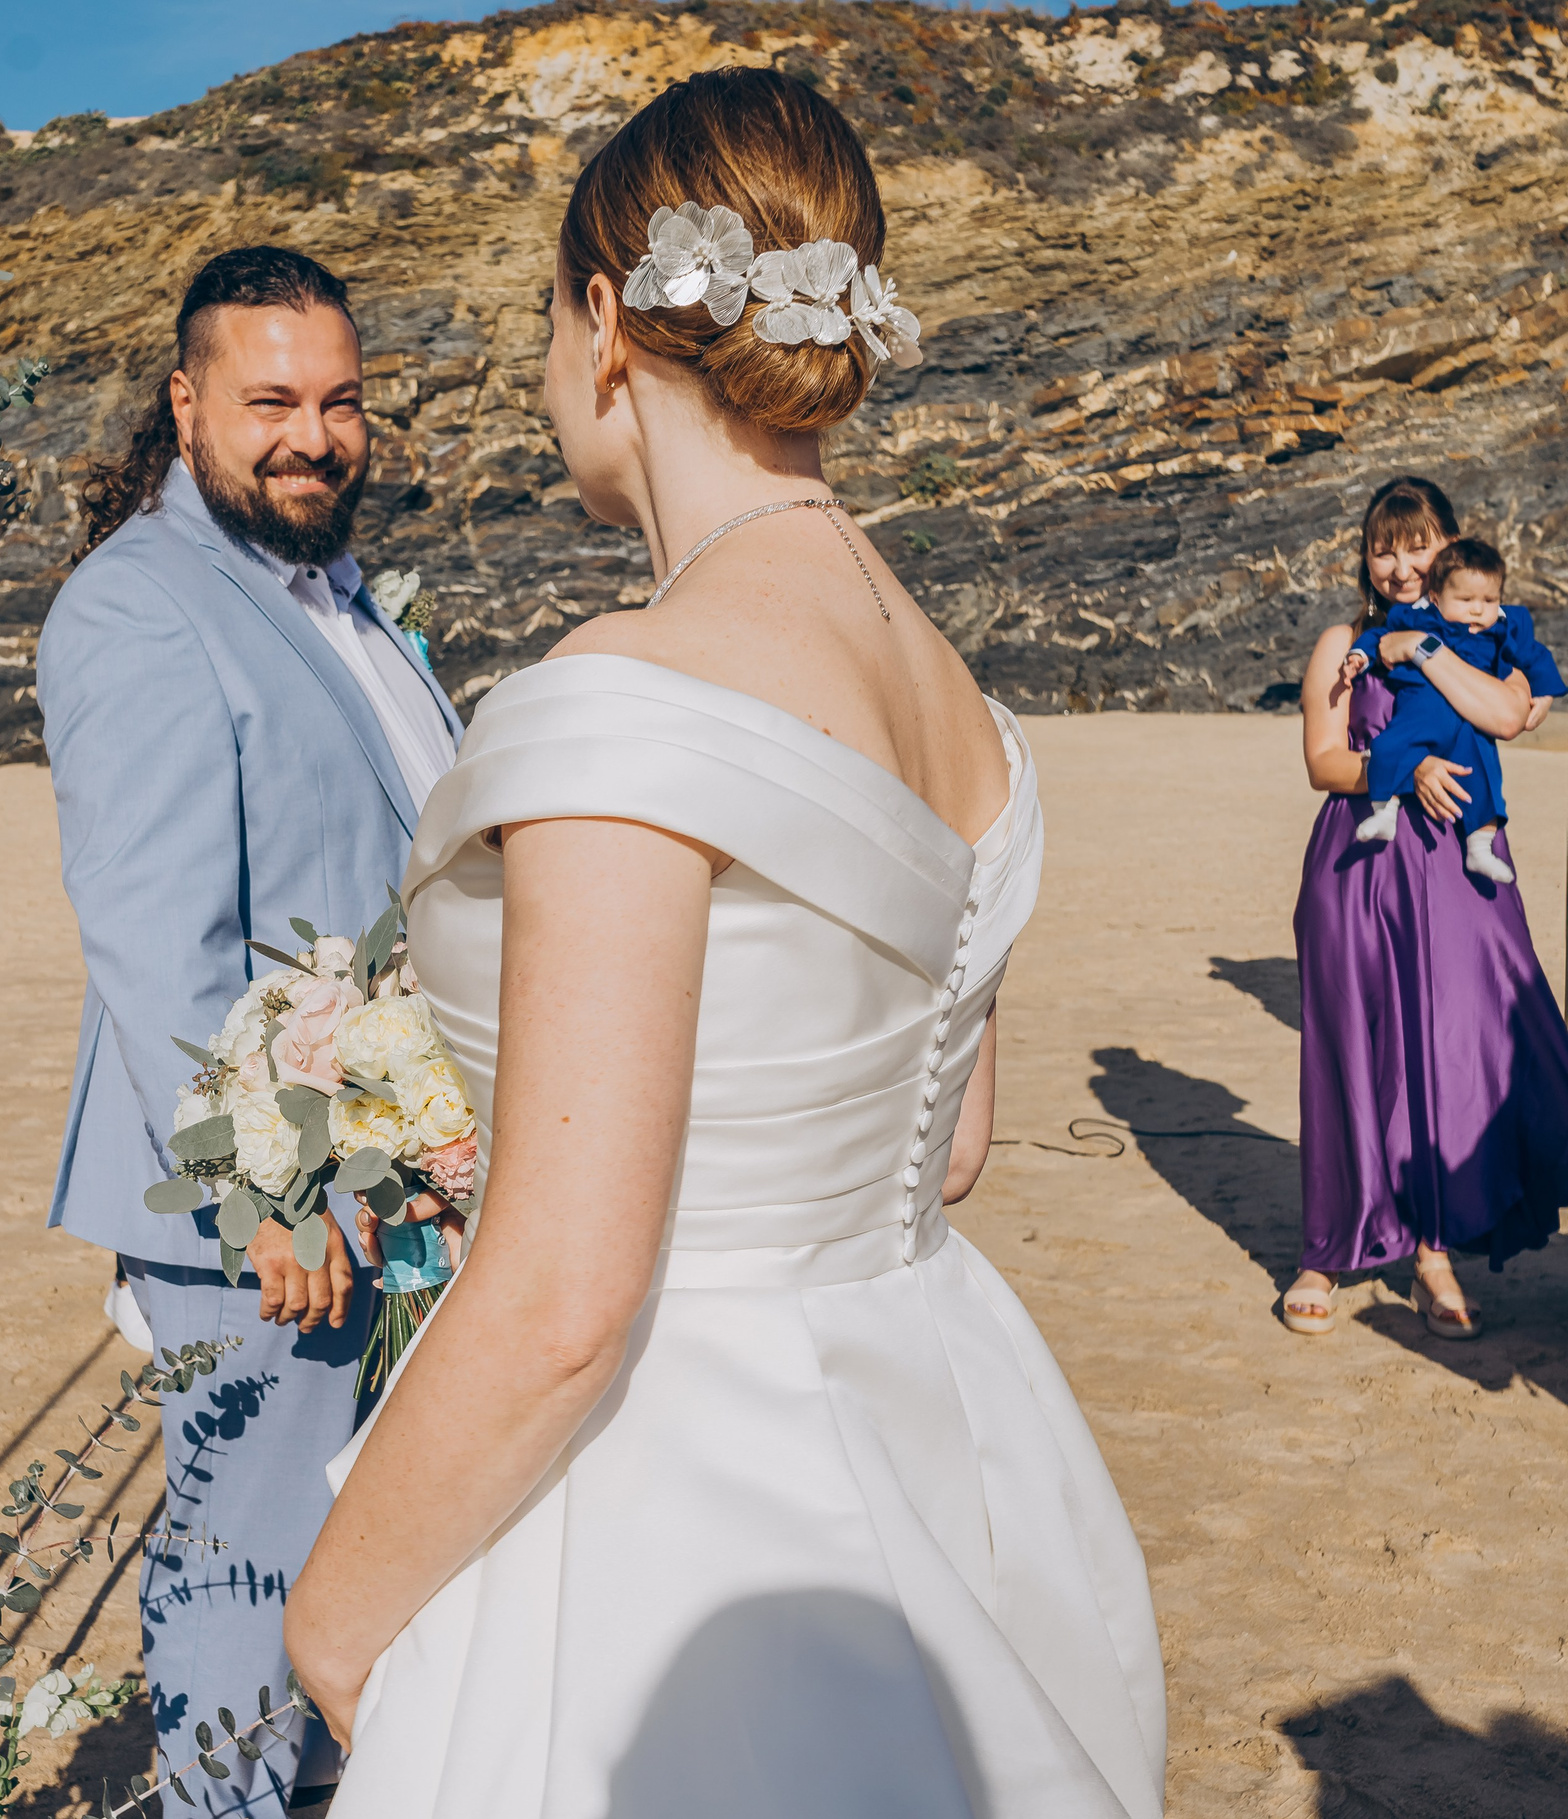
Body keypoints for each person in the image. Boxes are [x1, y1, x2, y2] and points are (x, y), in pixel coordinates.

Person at [284, 69, 1165, 1819]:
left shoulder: (630, 696)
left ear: (606, 322)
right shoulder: (961, 704)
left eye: (548, 325)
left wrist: (335, 1611)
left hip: (672, 1489)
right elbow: (959, 1143)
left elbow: (563, 1296)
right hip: (944, 1409)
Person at [36, 245, 463, 1815]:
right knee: (241, 1564)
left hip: (395, 1172)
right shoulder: (139, 608)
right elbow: (159, 942)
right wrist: (270, 1193)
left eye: (341, 401)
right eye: (271, 398)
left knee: (353, 1557)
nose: (313, 433)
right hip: (266, 1205)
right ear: (186, 403)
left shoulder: (337, 595)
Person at [1284, 477, 1568, 1340]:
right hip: (1360, 868)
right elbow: (1325, 762)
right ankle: (1324, 1250)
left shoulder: (1484, 635)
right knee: (1350, 1048)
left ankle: (1432, 1249)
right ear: (1365, 558)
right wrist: (1401, 769)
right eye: (1384, 546)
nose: (1401, 561)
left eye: (1418, 543)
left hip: (1457, 872)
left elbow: (1513, 715)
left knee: (1457, 1050)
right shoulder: (1342, 640)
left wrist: (1423, 649)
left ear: (1449, 543)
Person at [1343, 537, 1565, 882]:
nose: (1478, 609)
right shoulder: (1422, 619)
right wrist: (1360, 654)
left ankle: (1480, 847)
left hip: (1467, 728)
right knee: (1390, 746)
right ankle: (1384, 813)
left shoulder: (1503, 631)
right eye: (1466, 600)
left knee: (1483, 777)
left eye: (1489, 600)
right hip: (1423, 710)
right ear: (1437, 597)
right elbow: (1381, 637)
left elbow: (1536, 657)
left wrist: (1546, 694)